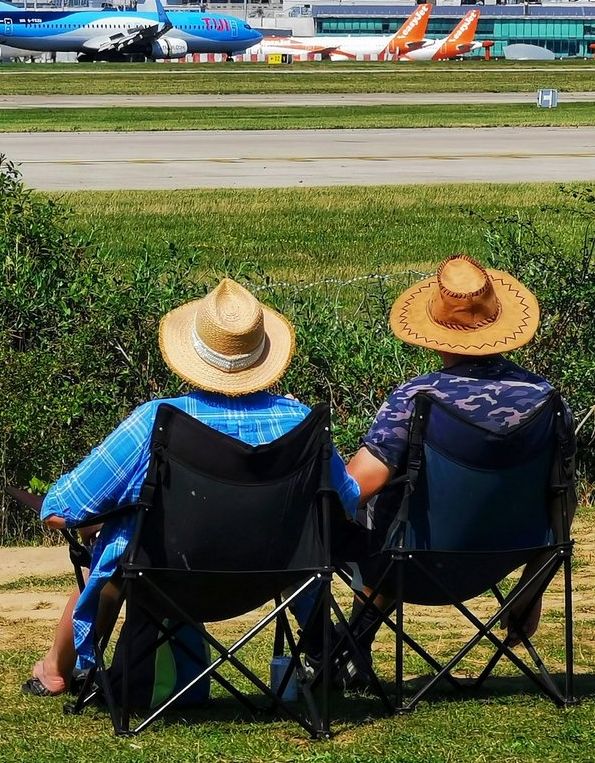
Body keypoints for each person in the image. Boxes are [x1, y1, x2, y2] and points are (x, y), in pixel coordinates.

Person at [22, 277, 361, 696]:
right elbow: (347, 499)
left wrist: (98, 518)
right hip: (273, 575)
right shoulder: (300, 422)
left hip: (166, 576)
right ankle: (326, 654)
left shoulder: (157, 421)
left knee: (107, 548)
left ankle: (56, 670)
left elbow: (61, 511)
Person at [334, 254, 574, 687]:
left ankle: (349, 647)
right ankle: (351, 648)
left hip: (414, 563)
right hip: (502, 560)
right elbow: (561, 497)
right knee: (394, 521)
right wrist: (533, 588)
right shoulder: (548, 400)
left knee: (366, 519)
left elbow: (357, 487)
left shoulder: (416, 397)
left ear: (436, 334)